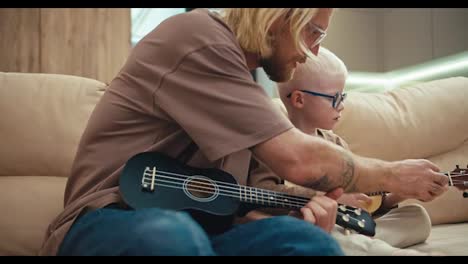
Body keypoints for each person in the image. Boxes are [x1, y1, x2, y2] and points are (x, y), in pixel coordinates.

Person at [39, 8, 448, 256]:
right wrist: (394, 176)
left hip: (202, 233)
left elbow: (237, 203)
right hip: (109, 219)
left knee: (302, 244)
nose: (315, 50)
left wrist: (303, 217)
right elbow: (300, 161)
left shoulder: (245, 95)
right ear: (278, 16)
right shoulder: (198, 37)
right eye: (315, 32)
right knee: (170, 235)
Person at [246, 47, 435, 255]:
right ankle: (365, 247)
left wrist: (396, 195)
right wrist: (324, 198)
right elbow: (261, 191)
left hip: (349, 223)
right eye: (334, 98)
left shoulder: (335, 143)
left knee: (416, 217)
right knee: (331, 235)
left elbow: (363, 205)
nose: (342, 105)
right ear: (299, 100)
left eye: (343, 96)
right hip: (312, 224)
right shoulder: (275, 143)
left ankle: (359, 245)